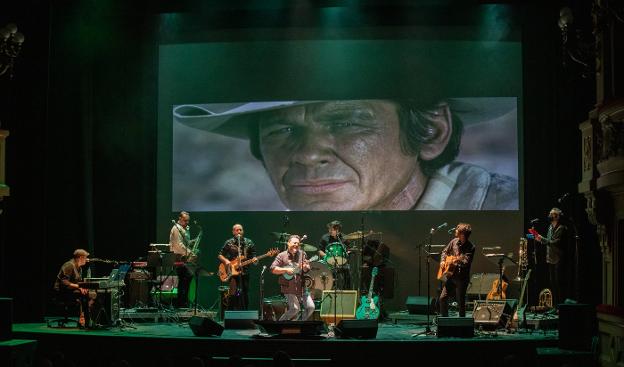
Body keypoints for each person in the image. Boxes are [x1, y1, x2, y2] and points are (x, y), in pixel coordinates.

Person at [174, 99, 518, 210]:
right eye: (281, 130)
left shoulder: (505, 203)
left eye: (348, 122)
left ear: (432, 132)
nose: (307, 155)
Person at [270, 234, 315, 321]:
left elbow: (307, 268)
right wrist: (286, 270)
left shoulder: (303, 254)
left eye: (298, 243)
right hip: (288, 287)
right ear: (288, 243)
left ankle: (298, 324)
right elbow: (273, 269)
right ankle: (280, 324)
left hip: (301, 286)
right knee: (295, 309)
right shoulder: (282, 255)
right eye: (294, 243)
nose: (296, 245)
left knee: (310, 307)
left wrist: (306, 268)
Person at [531, 207, 568, 306]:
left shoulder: (561, 228)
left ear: (557, 216)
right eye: (550, 213)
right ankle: (555, 306)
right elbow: (548, 241)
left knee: (558, 283)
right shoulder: (550, 227)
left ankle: (561, 306)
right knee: (553, 284)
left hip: (558, 258)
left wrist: (542, 239)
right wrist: (539, 238)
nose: (549, 216)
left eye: (552, 214)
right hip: (550, 258)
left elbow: (555, 242)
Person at [438, 223, 475, 317]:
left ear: (462, 234)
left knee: (461, 302)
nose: (455, 231)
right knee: (442, 298)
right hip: (451, 276)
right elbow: (444, 251)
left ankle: (461, 325)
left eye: (457, 230)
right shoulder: (454, 241)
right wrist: (443, 261)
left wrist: (456, 261)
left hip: (462, 278)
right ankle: (445, 321)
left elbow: (466, 263)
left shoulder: (471, 247)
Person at [218, 224, 257, 310]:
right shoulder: (229, 242)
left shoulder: (249, 242)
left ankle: (245, 314)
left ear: (243, 231)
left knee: (245, 293)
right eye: (237, 230)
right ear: (233, 232)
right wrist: (226, 261)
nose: (239, 232)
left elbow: (254, 256)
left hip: (245, 271)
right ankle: (231, 314)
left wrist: (255, 260)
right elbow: (220, 255)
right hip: (232, 272)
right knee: (233, 293)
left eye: (241, 230)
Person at [53, 249, 94, 327]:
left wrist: (83, 287)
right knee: (86, 295)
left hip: (71, 290)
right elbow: (64, 282)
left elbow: (78, 283)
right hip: (62, 292)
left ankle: (86, 318)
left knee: (91, 293)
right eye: (85, 258)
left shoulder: (79, 268)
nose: (87, 260)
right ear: (80, 258)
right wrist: (79, 287)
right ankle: (83, 319)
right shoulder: (69, 265)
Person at [169, 211, 197, 308]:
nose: (187, 222)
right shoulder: (176, 228)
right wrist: (191, 253)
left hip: (185, 257)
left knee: (187, 280)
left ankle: (184, 302)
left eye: (188, 221)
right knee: (183, 280)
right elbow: (178, 245)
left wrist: (192, 242)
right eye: (185, 220)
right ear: (180, 219)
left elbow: (185, 243)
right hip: (179, 258)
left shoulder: (186, 228)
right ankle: (181, 304)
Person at [318, 220, 352, 289]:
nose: (330, 231)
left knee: (348, 272)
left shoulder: (344, 238)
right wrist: (326, 257)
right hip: (329, 263)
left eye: (332, 229)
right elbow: (320, 250)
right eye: (329, 229)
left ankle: (347, 291)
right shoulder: (325, 237)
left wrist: (347, 253)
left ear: (338, 230)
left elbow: (349, 249)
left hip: (342, 262)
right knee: (329, 273)